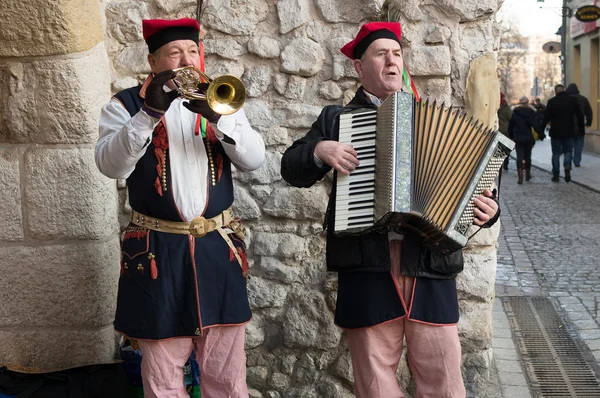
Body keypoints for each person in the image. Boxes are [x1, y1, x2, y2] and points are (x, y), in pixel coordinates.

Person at [281, 21, 500, 398]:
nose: (391, 61)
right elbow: (291, 167)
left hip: (428, 263)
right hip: (368, 264)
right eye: (380, 54)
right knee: (375, 384)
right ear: (359, 68)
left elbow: (477, 185)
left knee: (445, 381)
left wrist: (489, 209)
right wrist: (320, 151)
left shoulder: (436, 120)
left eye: (396, 54)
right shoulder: (336, 120)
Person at [95, 18, 265, 397]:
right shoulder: (124, 105)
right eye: (175, 53)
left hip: (216, 250)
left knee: (226, 371)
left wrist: (220, 120)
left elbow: (254, 159)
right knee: (162, 374)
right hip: (157, 252)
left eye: (193, 51)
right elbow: (111, 166)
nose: (187, 60)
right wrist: (148, 114)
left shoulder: (220, 100)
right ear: (154, 61)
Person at [540, 84, 584, 182]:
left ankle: (556, 174)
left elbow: (546, 118)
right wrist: (581, 128)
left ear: (556, 92)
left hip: (555, 132)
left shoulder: (551, 102)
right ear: (563, 90)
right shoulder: (572, 101)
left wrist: (541, 131)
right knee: (568, 151)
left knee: (556, 153)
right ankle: (567, 165)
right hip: (569, 131)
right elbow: (579, 115)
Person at [508, 96, 540, 184]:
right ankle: (528, 175)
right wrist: (541, 134)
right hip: (528, 138)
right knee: (528, 156)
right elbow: (535, 125)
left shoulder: (515, 113)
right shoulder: (531, 112)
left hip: (518, 138)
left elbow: (510, 126)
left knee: (519, 157)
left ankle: (520, 177)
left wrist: (511, 135)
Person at [565, 83, 593, 167]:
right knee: (579, 144)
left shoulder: (566, 99)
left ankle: (568, 161)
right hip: (580, 126)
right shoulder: (583, 99)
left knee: (569, 145)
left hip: (568, 126)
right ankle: (577, 161)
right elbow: (589, 112)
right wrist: (588, 122)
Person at [498, 92, 513, 170]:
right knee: (505, 148)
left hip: (495, 129)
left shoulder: (493, 104)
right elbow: (510, 117)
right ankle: (505, 164)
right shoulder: (505, 106)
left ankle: (499, 165)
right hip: (505, 130)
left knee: (497, 148)